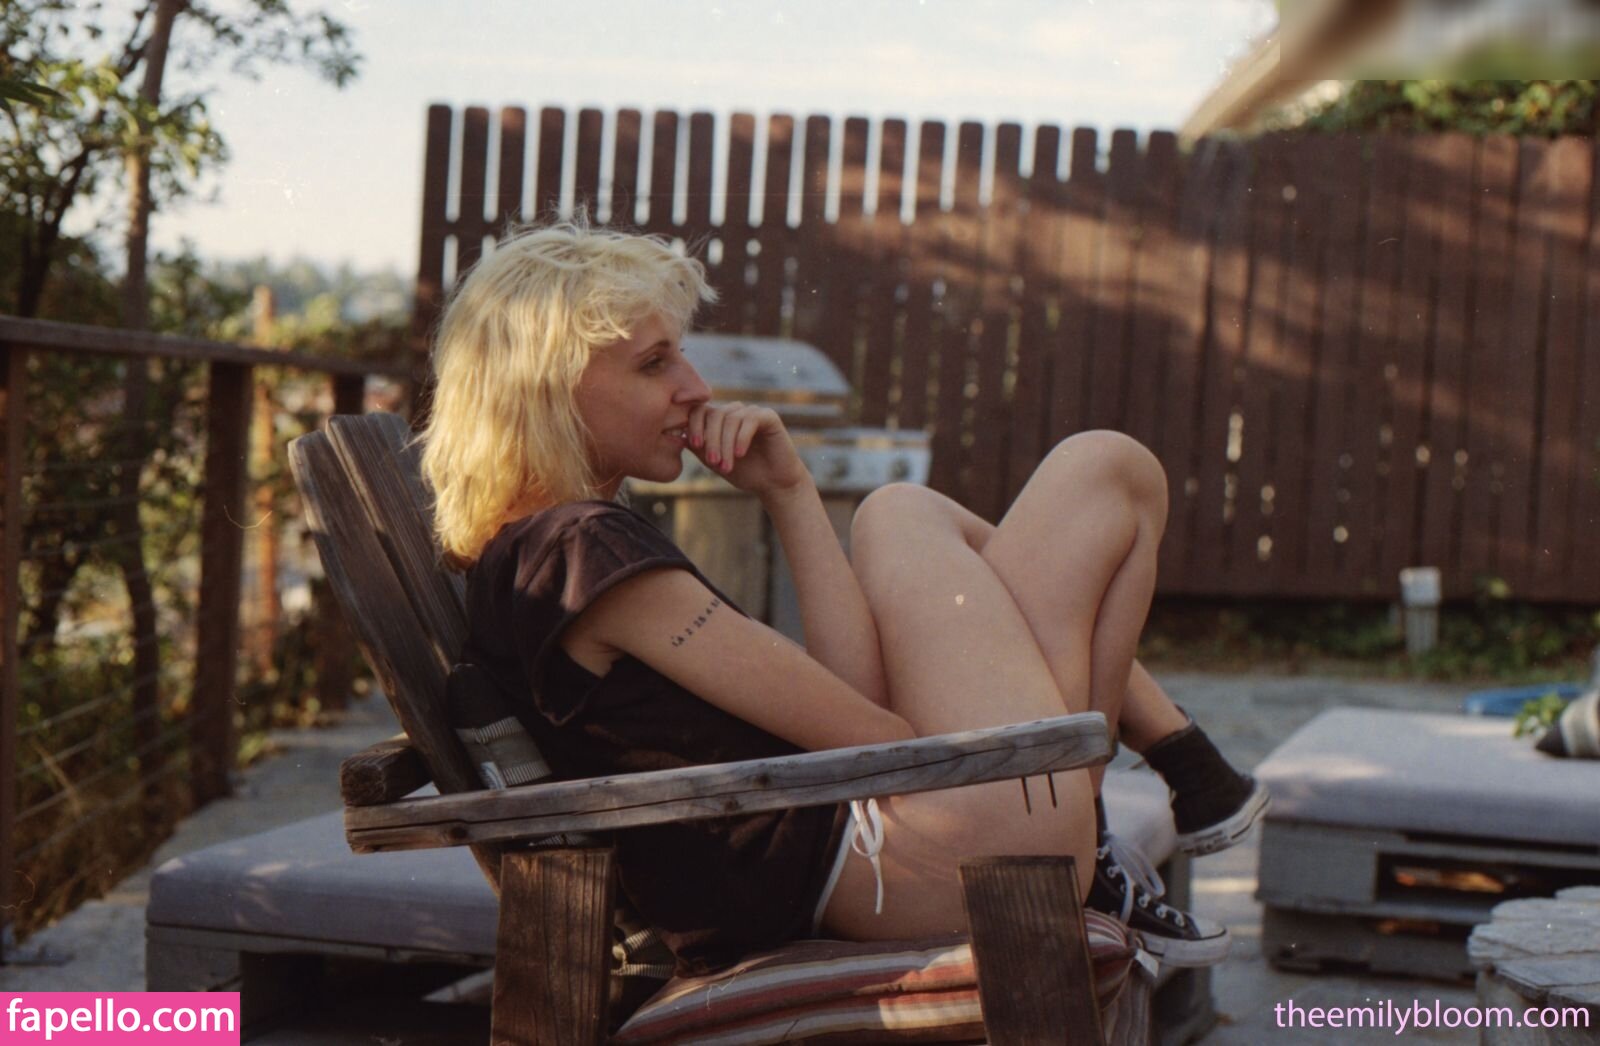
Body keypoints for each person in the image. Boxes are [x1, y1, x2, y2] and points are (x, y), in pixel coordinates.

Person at [419, 222, 1266, 976]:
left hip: (900, 848)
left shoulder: (536, 553)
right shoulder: (581, 552)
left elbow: (858, 721)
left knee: (916, 506)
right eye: (654, 363)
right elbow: (878, 737)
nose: (695, 386)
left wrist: (790, 493)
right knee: (1097, 471)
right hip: (931, 863)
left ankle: (1147, 776)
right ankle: (1147, 769)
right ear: (547, 389)